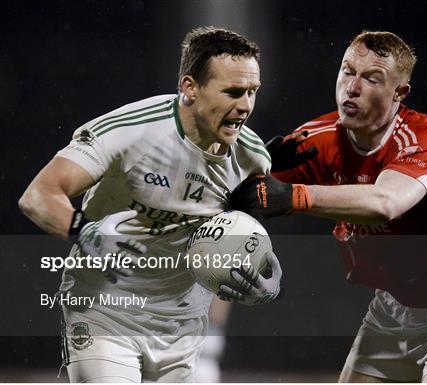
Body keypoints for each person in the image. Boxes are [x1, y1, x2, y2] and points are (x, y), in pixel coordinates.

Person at [227, 31, 427, 383]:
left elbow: (385, 203)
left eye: (371, 78)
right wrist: (243, 166)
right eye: (348, 72)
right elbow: (236, 191)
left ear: (399, 93)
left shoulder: (422, 139)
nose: (352, 87)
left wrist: (294, 196)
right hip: (391, 311)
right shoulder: (318, 138)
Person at [18, 27, 282, 383]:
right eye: (233, 92)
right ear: (190, 88)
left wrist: (262, 271)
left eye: (252, 92)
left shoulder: (251, 157)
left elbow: (231, 239)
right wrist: (85, 230)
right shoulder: (132, 130)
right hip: (105, 309)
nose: (246, 106)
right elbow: (39, 195)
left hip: (182, 322)